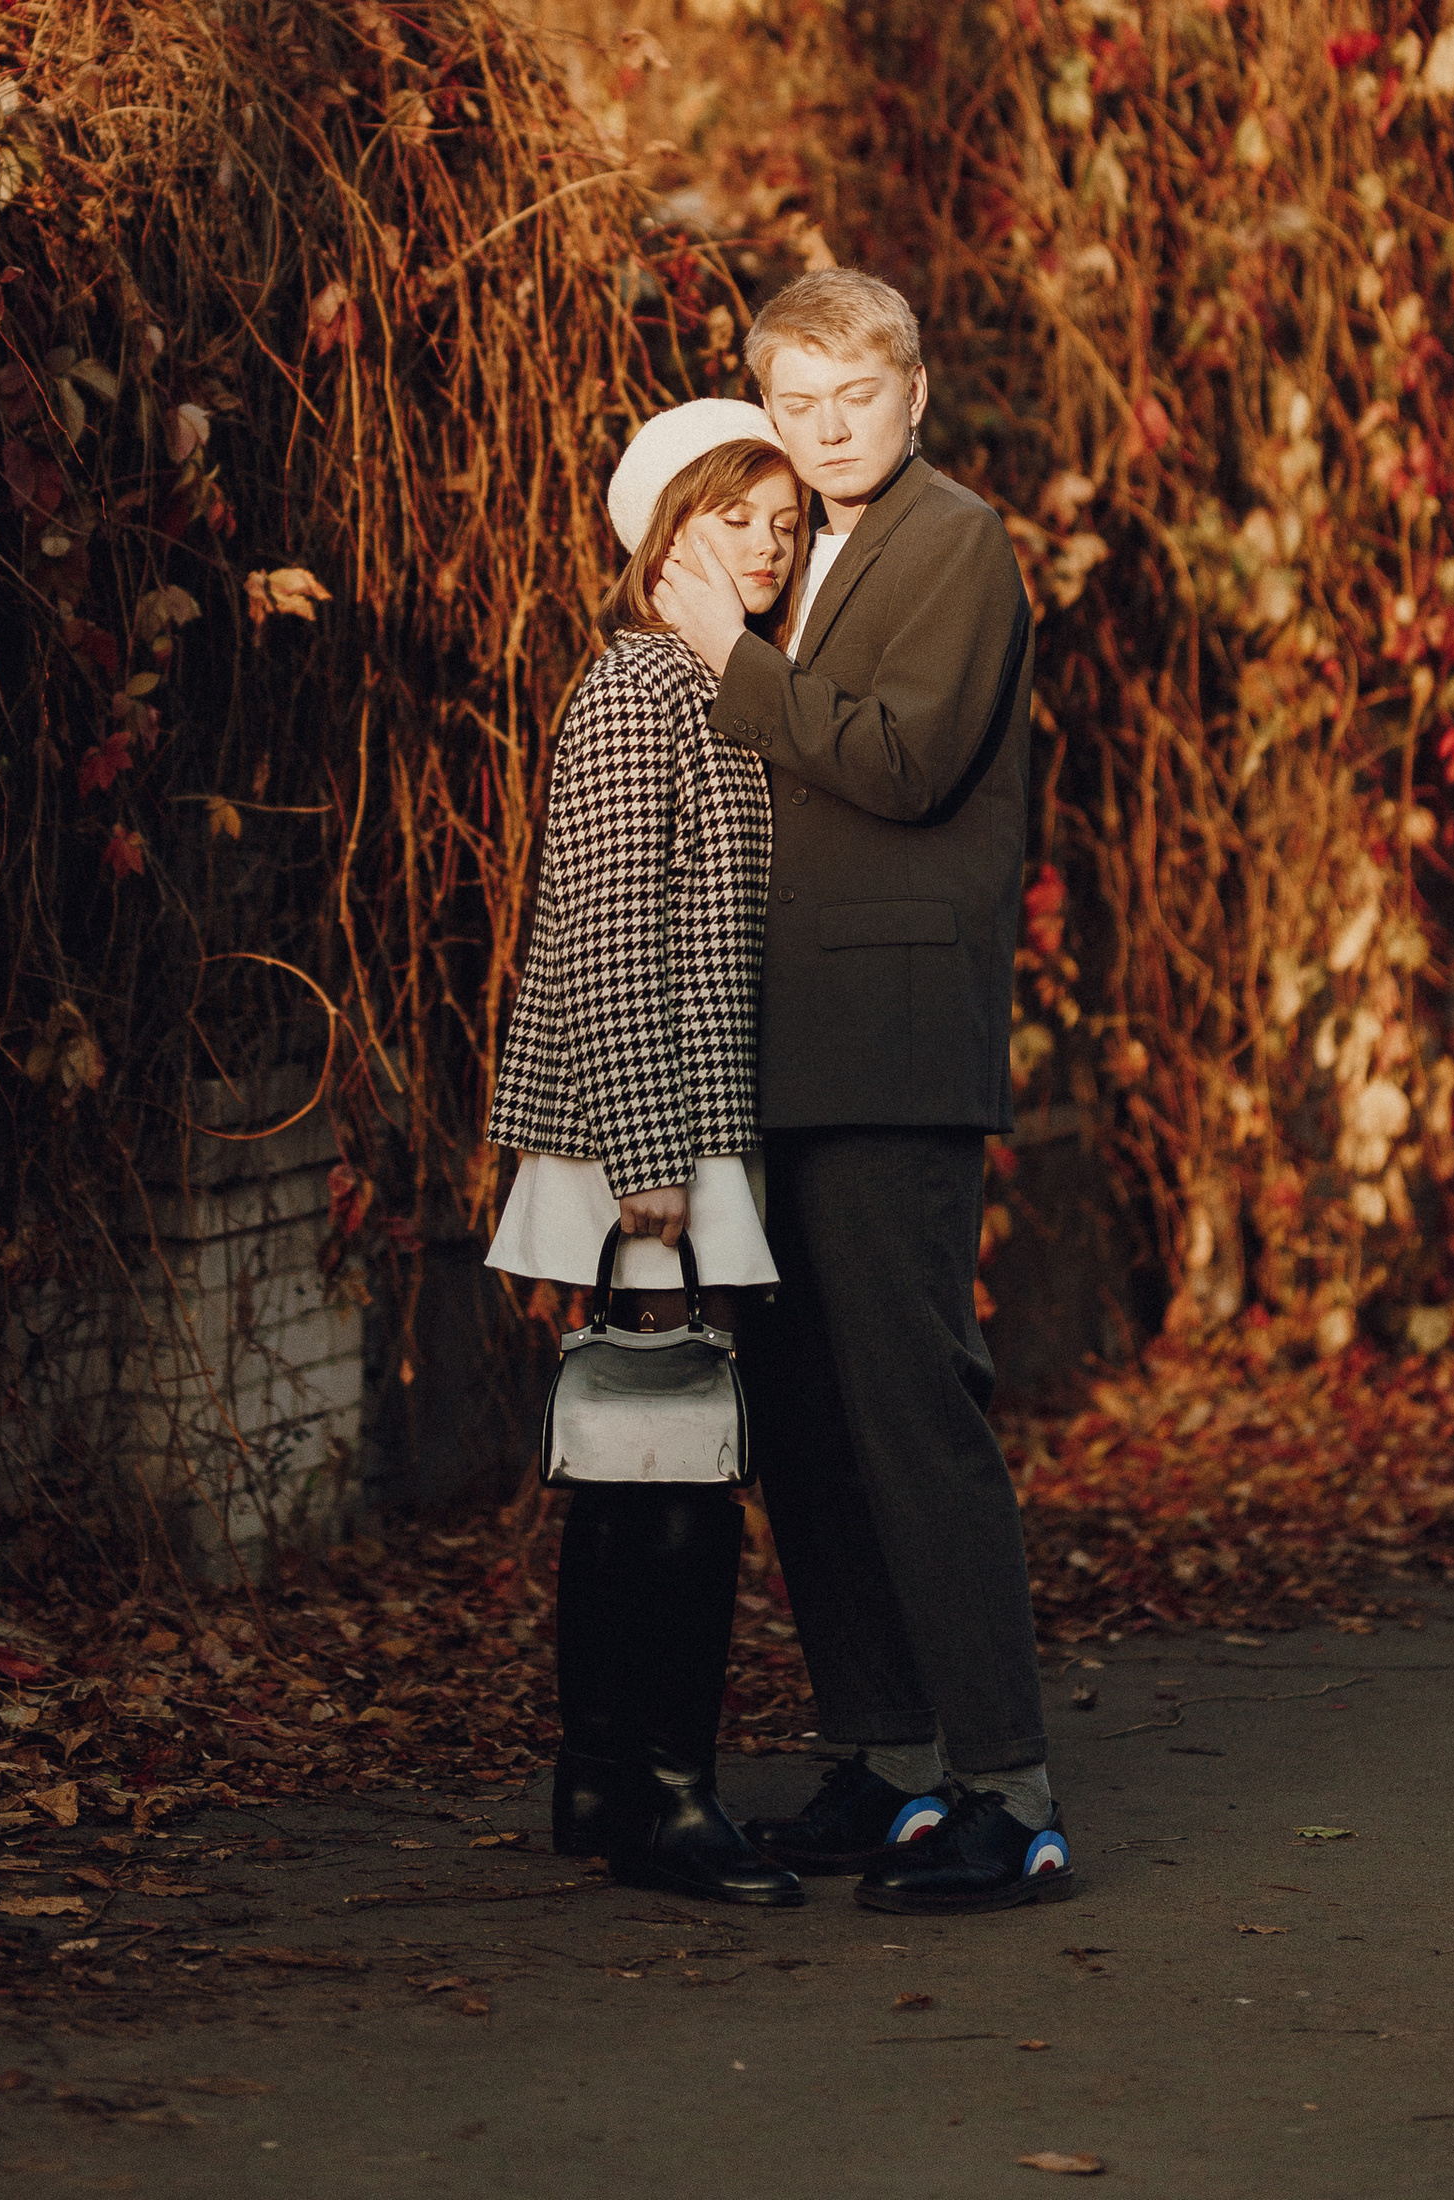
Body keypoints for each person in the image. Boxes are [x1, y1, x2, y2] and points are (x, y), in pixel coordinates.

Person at [653, 268, 1069, 1916]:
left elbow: (900, 762)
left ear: (915, 398)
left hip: (895, 1039)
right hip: (783, 1045)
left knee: (912, 1410)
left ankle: (1008, 1793)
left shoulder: (954, 542)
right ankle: (894, 1762)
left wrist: (725, 661)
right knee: (808, 1423)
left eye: (857, 403)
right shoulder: (792, 556)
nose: (828, 435)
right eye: (799, 405)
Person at [485, 399, 810, 1911]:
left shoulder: (730, 687)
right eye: (733, 516)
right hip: (655, 1127)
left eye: (784, 521)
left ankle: (606, 1777)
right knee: (674, 1454)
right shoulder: (636, 697)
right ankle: (667, 1797)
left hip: (687, 1121)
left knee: (634, 1460)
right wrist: (648, 1161)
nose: (765, 541)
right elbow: (609, 935)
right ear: (663, 534)